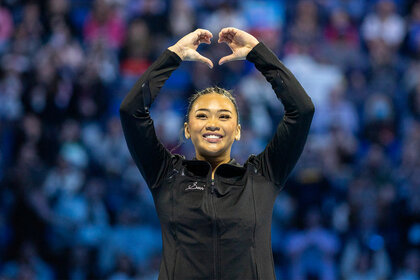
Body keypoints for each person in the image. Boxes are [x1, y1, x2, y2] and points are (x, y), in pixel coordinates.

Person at [119, 27, 315, 280]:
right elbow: (131, 111)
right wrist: (174, 54)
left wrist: (258, 53)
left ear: (238, 131)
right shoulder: (166, 175)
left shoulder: (262, 176)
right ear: (188, 130)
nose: (213, 124)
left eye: (224, 116)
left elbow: (302, 110)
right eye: (202, 115)